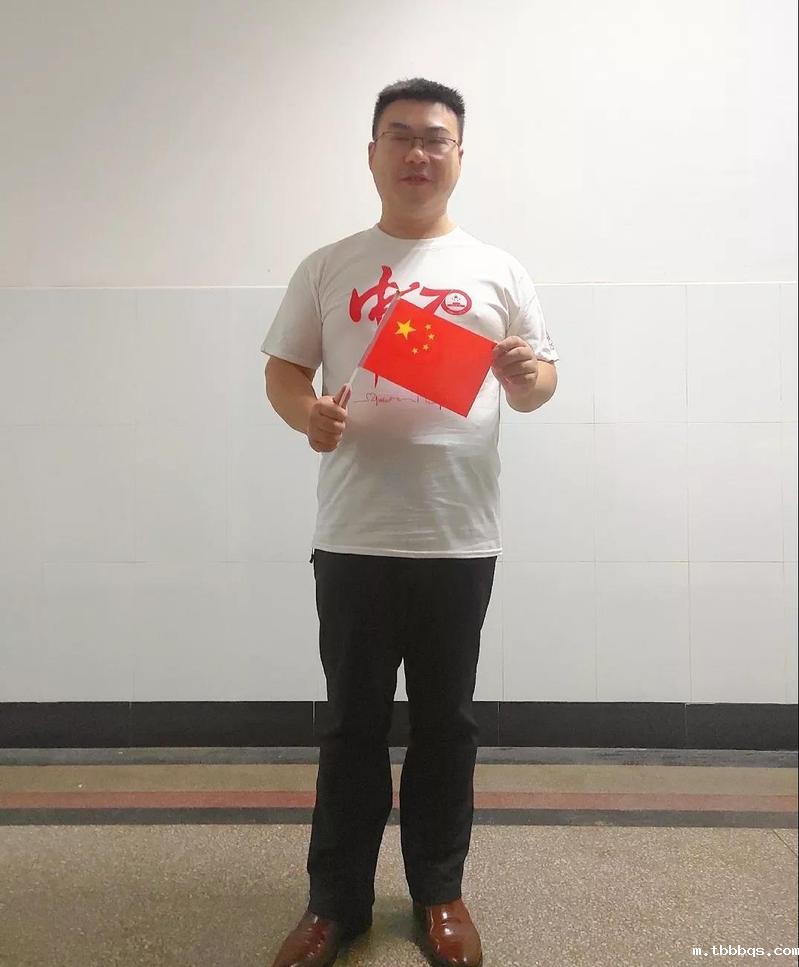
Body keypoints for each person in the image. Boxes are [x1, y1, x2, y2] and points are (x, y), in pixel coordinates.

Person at [262, 77, 559, 967]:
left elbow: (540, 384)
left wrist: (524, 376)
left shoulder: (497, 270)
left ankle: (439, 892)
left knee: (446, 724)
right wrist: (307, 414)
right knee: (350, 726)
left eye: (435, 138)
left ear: (459, 155)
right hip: (354, 534)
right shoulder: (329, 265)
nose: (417, 153)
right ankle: (334, 903)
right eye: (399, 136)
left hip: (458, 535)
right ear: (372, 153)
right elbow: (283, 370)